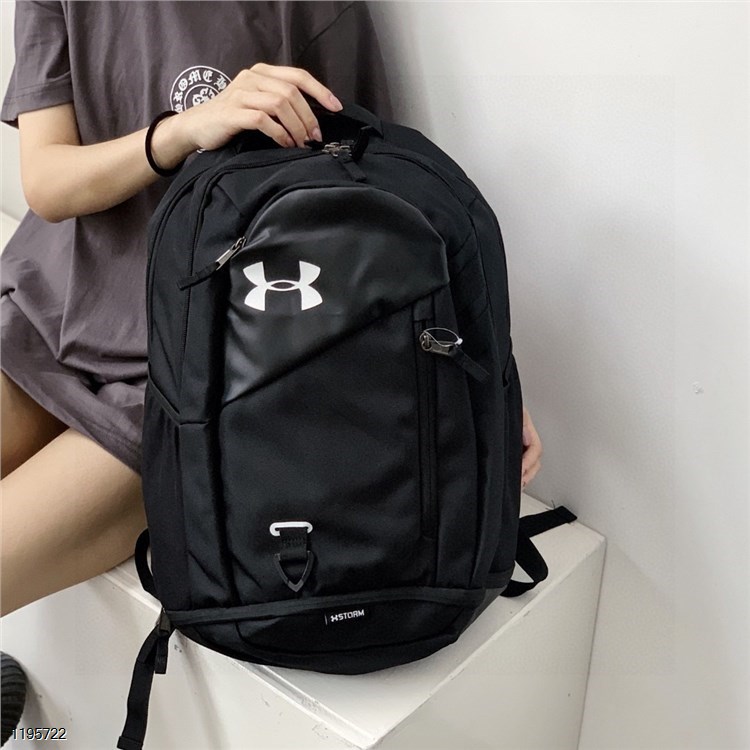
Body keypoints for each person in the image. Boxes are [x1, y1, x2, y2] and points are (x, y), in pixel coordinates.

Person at [0, 0, 541, 740]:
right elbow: (48, 183)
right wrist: (184, 131)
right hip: (47, 308)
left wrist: (485, 377)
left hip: (193, 368)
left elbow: (385, 196)